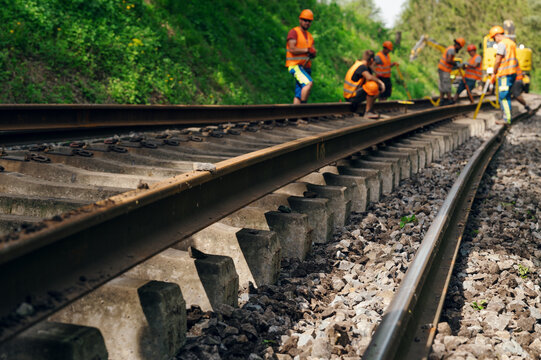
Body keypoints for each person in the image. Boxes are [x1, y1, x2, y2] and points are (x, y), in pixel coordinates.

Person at [489, 25, 519, 124]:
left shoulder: (502, 44)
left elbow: (498, 60)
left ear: (497, 35)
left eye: (494, 38)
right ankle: (506, 117)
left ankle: (506, 119)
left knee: (503, 96)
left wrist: (494, 71)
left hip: (505, 74)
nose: (494, 40)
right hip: (511, 73)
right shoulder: (511, 43)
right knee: (506, 96)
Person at [343, 50, 386, 119]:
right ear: (371, 60)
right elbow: (369, 77)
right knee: (372, 86)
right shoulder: (362, 67)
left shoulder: (359, 64)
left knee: (375, 88)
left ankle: (368, 109)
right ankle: (368, 112)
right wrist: (380, 82)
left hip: (350, 95)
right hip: (351, 97)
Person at [286, 9, 316, 104]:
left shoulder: (310, 36)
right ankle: (302, 111)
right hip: (295, 66)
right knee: (308, 83)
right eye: (305, 20)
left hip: (305, 67)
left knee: (298, 94)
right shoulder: (294, 32)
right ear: (300, 20)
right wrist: (307, 50)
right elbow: (292, 49)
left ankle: (295, 117)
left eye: (309, 21)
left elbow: (312, 51)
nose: (307, 22)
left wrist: (313, 53)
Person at [438, 37, 465, 105]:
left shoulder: (450, 48)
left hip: (442, 68)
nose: (460, 49)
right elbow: (449, 60)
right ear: (458, 45)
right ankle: (449, 100)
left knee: (443, 84)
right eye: (460, 47)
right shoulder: (452, 50)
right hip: (445, 69)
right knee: (447, 85)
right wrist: (456, 64)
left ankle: (441, 99)